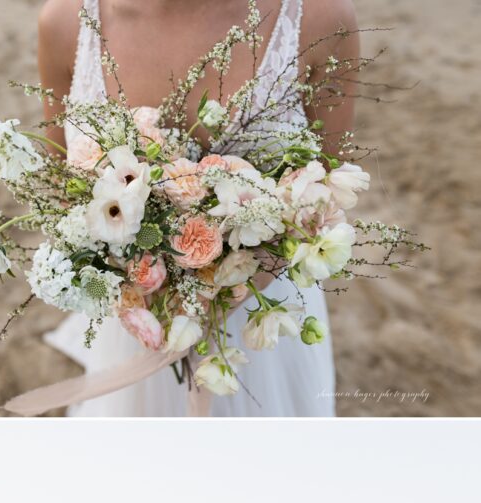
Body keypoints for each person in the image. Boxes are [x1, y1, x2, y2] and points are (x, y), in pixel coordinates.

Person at [37, 0, 358, 416]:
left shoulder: (320, 18)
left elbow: (332, 184)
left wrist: (225, 288)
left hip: (264, 326)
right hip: (138, 324)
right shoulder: (65, 23)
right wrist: (139, 282)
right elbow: (62, 190)